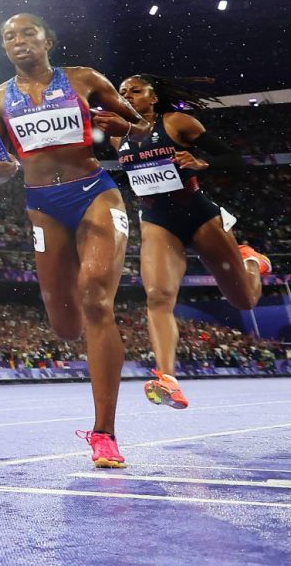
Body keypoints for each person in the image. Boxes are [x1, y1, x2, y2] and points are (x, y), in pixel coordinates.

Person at [0, 13, 152, 470]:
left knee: (97, 299)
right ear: (4, 48)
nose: (18, 41)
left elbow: (139, 127)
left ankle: (104, 434)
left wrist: (125, 128)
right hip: (41, 205)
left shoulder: (84, 79)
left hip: (95, 193)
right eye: (9, 36)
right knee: (64, 324)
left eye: (27, 33)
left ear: (47, 39)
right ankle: (82, 322)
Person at [112, 73, 272, 410]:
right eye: (122, 93)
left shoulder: (177, 123)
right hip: (157, 221)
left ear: (153, 97)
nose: (127, 97)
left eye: (136, 91)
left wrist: (203, 163)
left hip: (199, 216)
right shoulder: (117, 135)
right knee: (157, 296)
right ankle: (167, 379)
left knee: (243, 300)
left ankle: (252, 262)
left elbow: (235, 161)